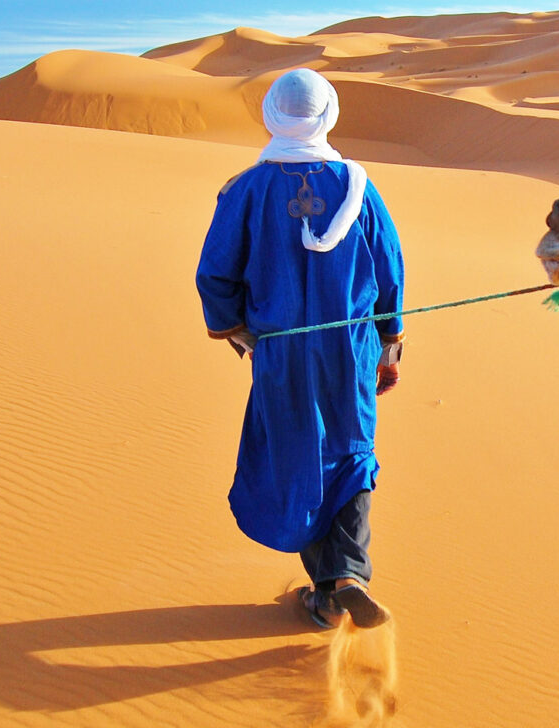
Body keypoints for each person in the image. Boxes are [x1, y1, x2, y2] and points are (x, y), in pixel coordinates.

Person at [196, 68, 405, 629]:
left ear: (271, 113)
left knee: (300, 455)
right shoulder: (359, 185)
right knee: (352, 451)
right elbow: (389, 268)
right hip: (350, 349)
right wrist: (390, 344)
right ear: (328, 113)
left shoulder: (244, 190)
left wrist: (237, 332)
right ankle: (347, 577)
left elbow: (215, 276)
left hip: (282, 355)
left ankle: (328, 592)